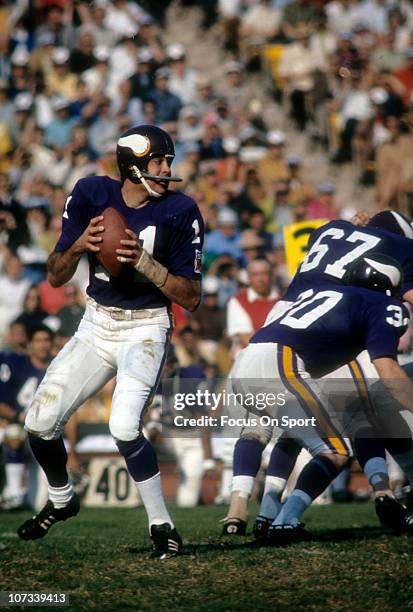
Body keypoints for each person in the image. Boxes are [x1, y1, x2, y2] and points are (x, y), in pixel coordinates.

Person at [17, 124, 204, 559]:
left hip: (146, 326)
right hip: (97, 323)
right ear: (133, 167)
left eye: (168, 161)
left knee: (123, 426)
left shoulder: (181, 211)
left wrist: (145, 263)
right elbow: (55, 274)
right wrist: (80, 244)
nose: (166, 169)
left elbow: (190, 298)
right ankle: (62, 498)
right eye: (158, 161)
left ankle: (163, 526)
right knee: (39, 423)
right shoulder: (90, 194)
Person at [223, 210, 413, 536]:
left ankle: (259, 512)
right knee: (351, 428)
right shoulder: (382, 299)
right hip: (294, 355)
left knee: (282, 429)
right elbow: (387, 366)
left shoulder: (332, 233)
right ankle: (289, 518)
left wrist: (355, 227)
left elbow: (343, 247)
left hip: (273, 332)